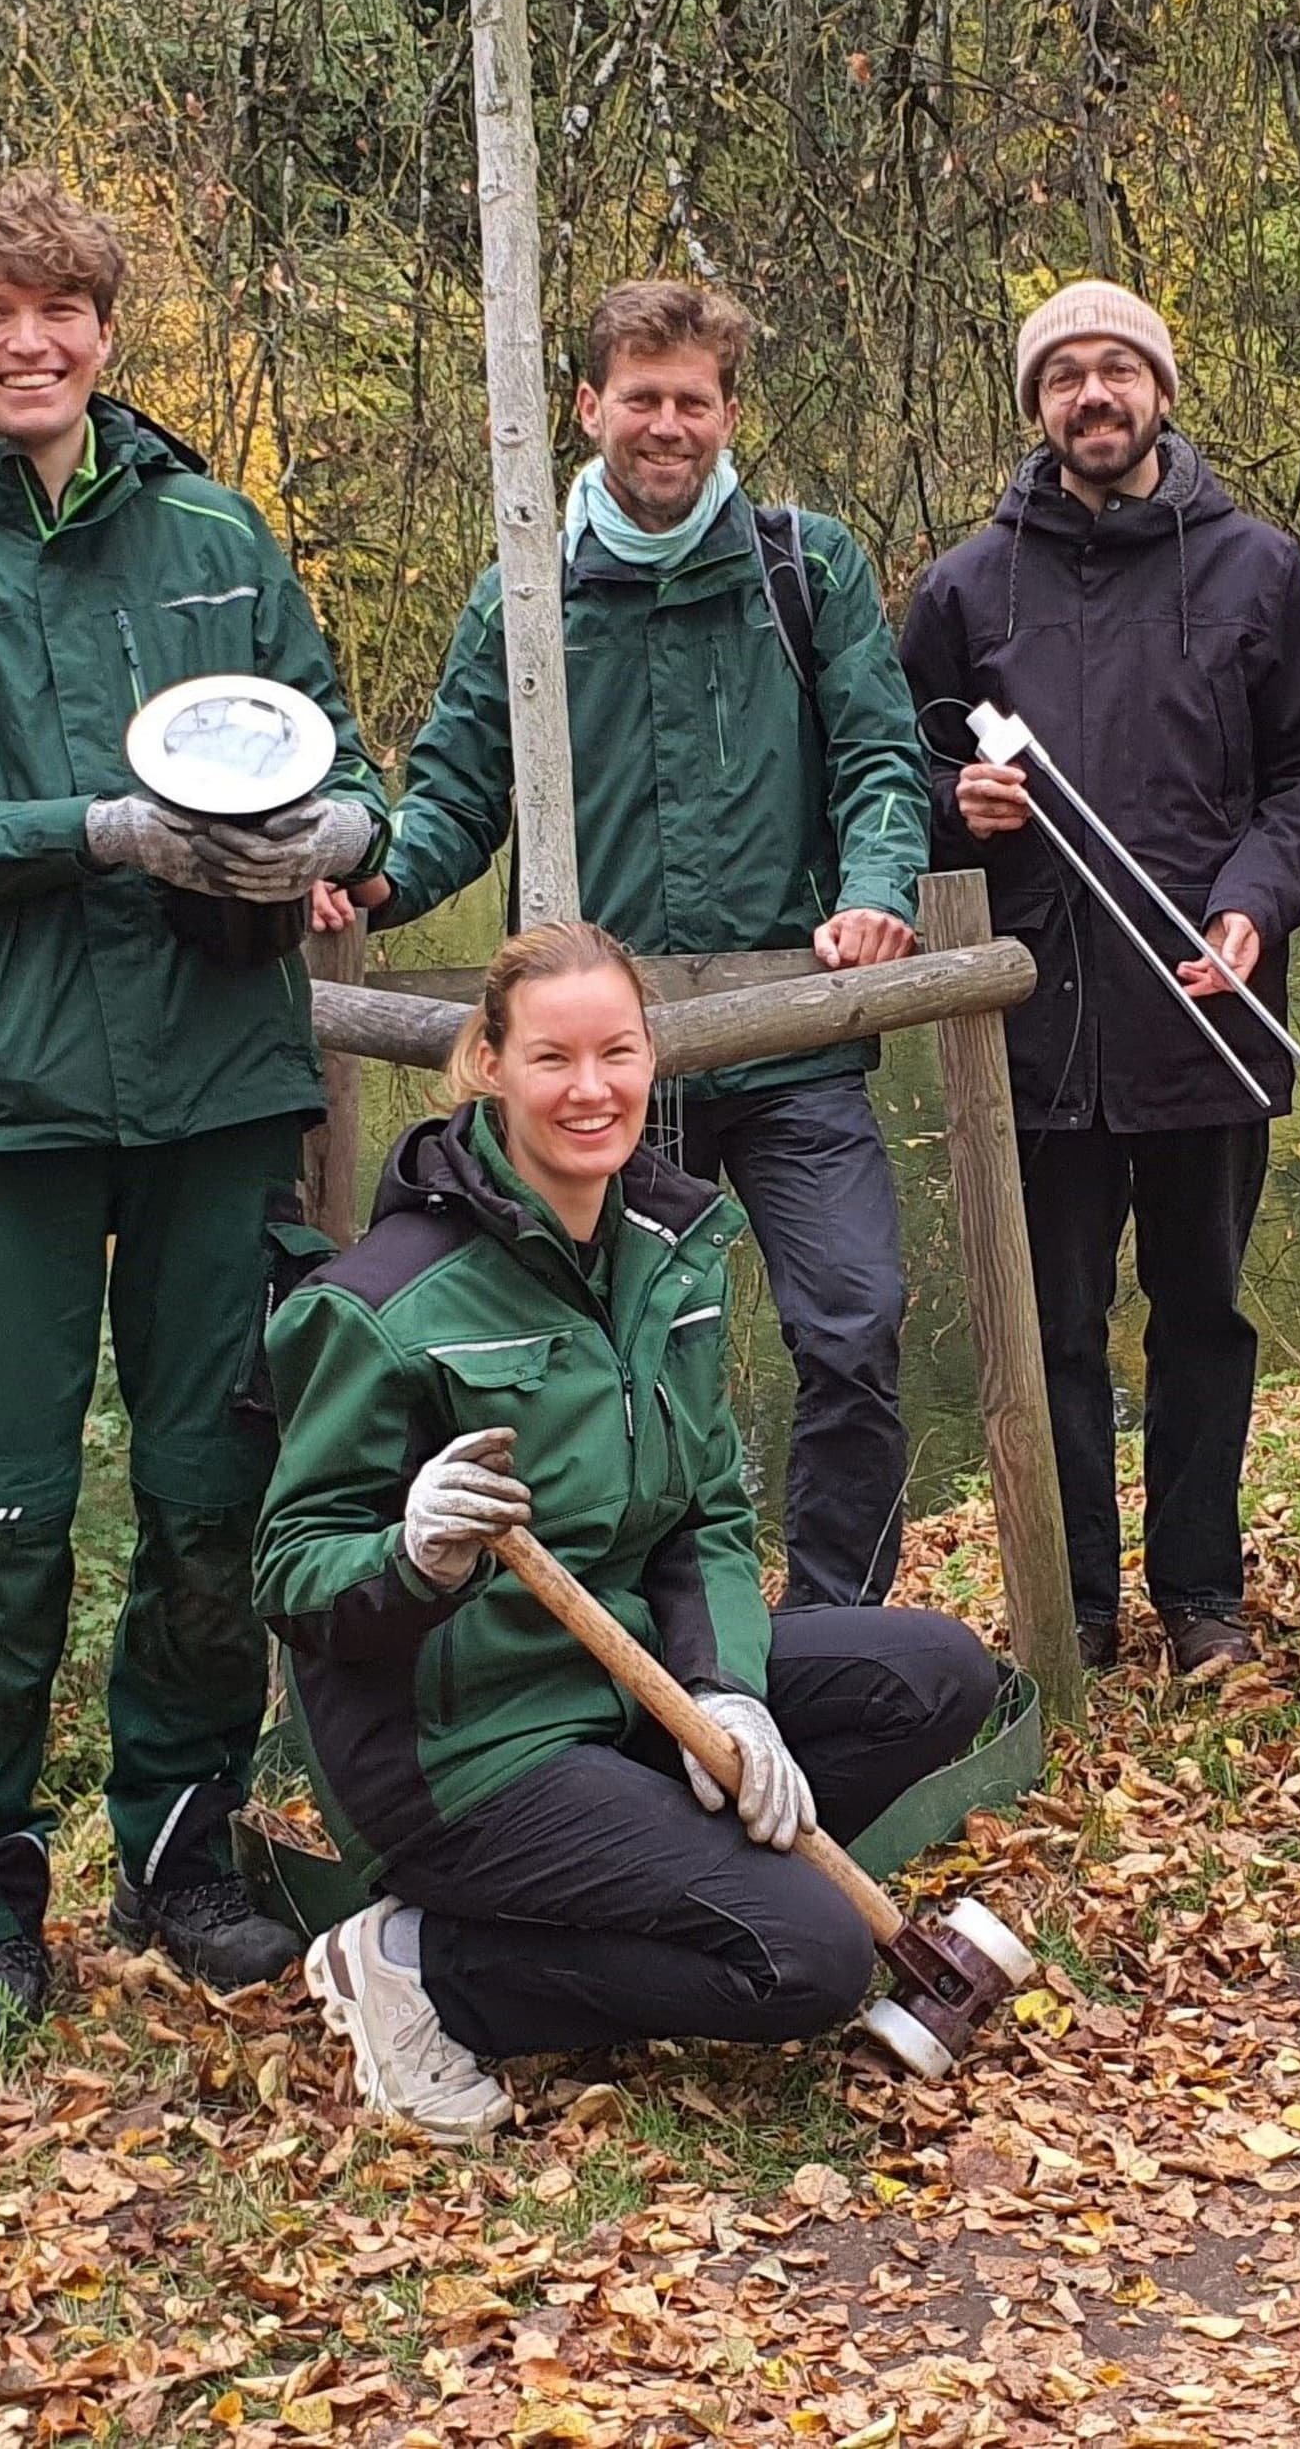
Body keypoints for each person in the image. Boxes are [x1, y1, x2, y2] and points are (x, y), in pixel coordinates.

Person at [0, 171, 388, 2073]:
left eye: (60, 309)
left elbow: (341, 763)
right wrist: (93, 834)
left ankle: (188, 1852)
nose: (28, 342)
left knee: (217, 1493)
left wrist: (340, 842)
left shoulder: (217, 532)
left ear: (108, 328)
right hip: (5, 1109)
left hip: (224, 1090)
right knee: (4, 1521)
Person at [257, 926, 1001, 2142]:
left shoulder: (670, 1251)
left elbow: (706, 1508)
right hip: (461, 1746)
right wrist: (415, 1553)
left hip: (623, 1682)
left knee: (937, 1674)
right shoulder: (383, 1300)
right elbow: (292, 1573)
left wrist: (730, 1695)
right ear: (485, 1062)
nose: (590, 1088)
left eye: (618, 1051)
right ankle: (423, 1962)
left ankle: (651, 1873)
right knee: (806, 1964)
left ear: (654, 1057)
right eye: (552, 1056)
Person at [327, 281, 933, 1609]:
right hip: (598, 1068)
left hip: (789, 1037)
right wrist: (375, 883)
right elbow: (454, 796)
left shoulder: (804, 567)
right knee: (622, 1364)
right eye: (641, 397)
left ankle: (836, 1628)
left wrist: (878, 886)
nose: (668, 425)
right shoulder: (524, 592)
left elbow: (884, 758)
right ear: (591, 406)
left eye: (694, 401)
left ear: (728, 413)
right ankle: (634, 1651)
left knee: (853, 1323)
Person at [902, 280, 1300, 1680]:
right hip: (1032, 1028)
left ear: (1161, 390)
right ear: (1039, 405)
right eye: (1066, 378)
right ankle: (1077, 1602)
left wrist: (1253, 905)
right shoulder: (963, 586)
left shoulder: (1256, 571)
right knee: (1049, 1331)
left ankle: (1201, 1591)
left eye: (1117, 371)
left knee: (1204, 1314)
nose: (1092, 397)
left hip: (1205, 1015)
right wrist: (954, 801)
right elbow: (885, 769)